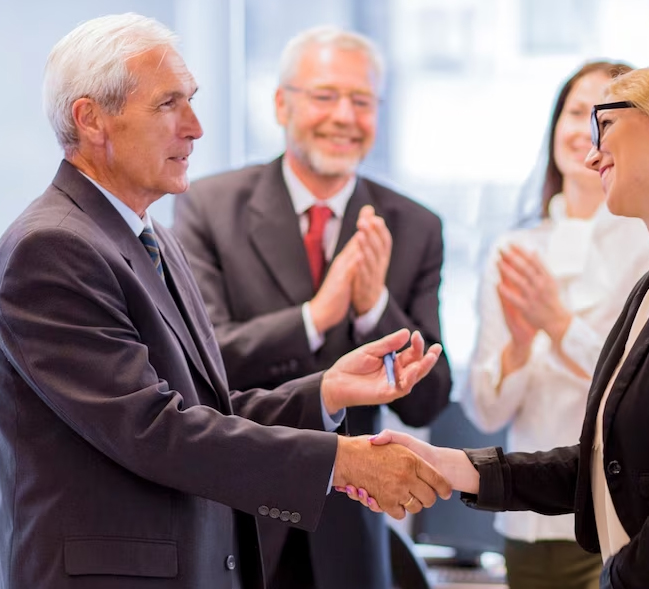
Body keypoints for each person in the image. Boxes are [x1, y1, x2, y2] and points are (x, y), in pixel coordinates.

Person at [0, 14, 451, 589]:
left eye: (191, 101)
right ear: (91, 118)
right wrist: (341, 460)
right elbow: (155, 430)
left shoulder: (149, 238)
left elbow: (205, 407)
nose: (195, 127)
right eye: (169, 104)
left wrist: (325, 393)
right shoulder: (51, 249)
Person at [350, 61, 649, 588]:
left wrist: (618, 581)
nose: (593, 152)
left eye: (606, 124)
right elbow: (605, 464)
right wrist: (450, 465)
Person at [172, 25, 452, 589]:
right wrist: (316, 317)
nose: (344, 116)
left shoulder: (414, 225)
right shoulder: (208, 205)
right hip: (241, 516)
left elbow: (430, 400)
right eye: (325, 96)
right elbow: (203, 366)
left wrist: (375, 309)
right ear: (281, 103)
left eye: (362, 100)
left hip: (351, 530)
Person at [462, 60, 649, 589]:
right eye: (574, 111)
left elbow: (642, 392)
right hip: (523, 520)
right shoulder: (514, 248)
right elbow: (484, 409)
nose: (584, 130)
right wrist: (519, 351)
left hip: (614, 516)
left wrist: (558, 323)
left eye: (605, 117)